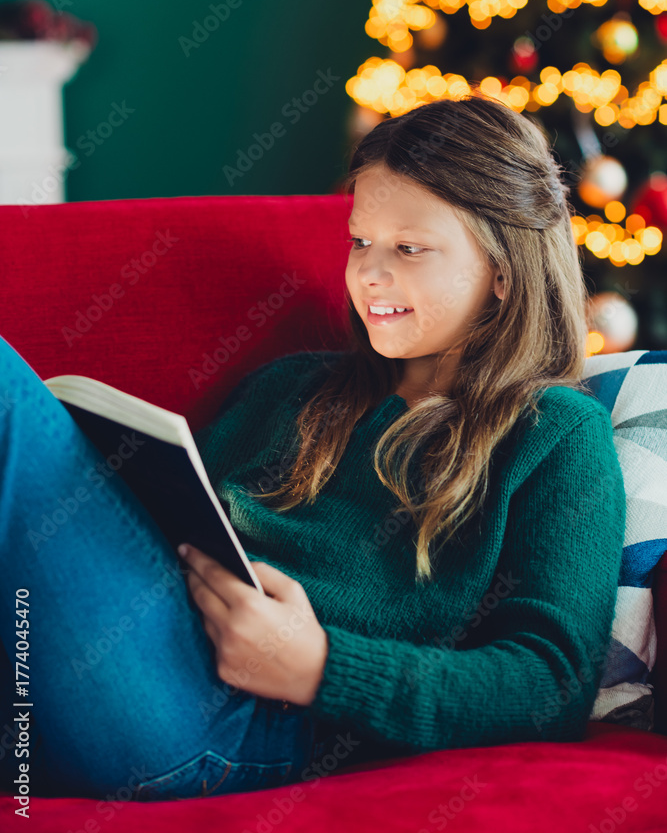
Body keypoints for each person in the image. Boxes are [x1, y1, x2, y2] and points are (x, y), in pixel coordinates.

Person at [0, 91, 625, 803]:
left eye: (408, 248)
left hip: (240, 727)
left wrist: (319, 666)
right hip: (99, 671)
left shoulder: (553, 434)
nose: (369, 273)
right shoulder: (287, 389)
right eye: (360, 241)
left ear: (503, 272)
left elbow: (551, 684)